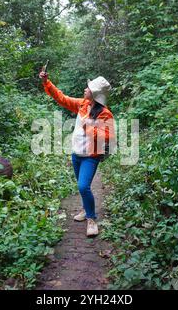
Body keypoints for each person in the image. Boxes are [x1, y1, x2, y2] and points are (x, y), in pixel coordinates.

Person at [39, 70, 115, 237]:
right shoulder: (82, 104)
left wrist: (91, 128)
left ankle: (92, 219)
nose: (85, 89)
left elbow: (108, 136)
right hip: (76, 154)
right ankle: (85, 209)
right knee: (81, 186)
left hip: (91, 156)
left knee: (83, 186)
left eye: (88, 88)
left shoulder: (105, 113)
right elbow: (62, 98)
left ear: (94, 94)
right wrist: (46, 81)